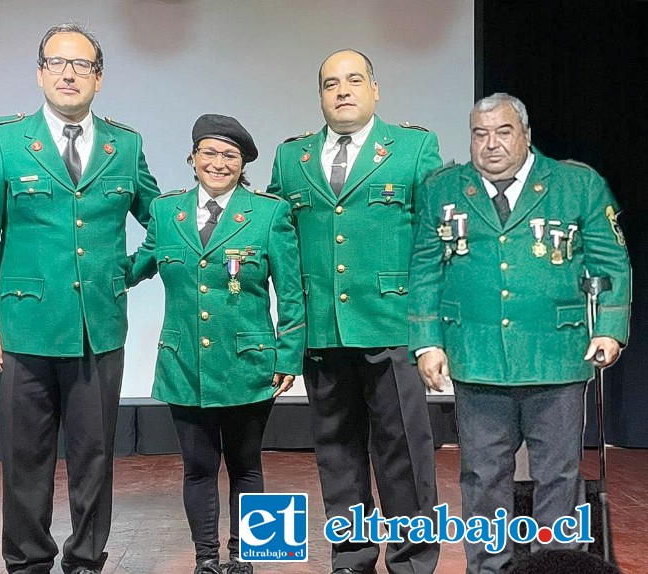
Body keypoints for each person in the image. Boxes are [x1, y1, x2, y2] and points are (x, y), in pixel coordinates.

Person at [0, 23, 160, 574]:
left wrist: (128, 272)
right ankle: (27, 563)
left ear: (99, 77)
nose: (68, 73)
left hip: (99, 328)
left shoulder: (127, 144)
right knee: (26, 459)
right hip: (22, 327)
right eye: (56, 63)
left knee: (95, 457)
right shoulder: (4, 139)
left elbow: (162, 224)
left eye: (81, 65)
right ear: (40, 73)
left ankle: (86, 560)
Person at [409, 93, 631, 573]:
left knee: (559, 476)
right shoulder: (442, 189)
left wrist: (610, 329)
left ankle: (554, 567)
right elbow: (424, 270)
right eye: (479, 133)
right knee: (482, 476)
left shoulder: (576, 185)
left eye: (503, 132)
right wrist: (428, 341)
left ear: (526, 134)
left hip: (557, 356)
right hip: (478, 358)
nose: (490, 144)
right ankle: (490, 569)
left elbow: (611, 263)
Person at [267, 49, 442, 574]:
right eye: (330, 83)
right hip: (323, 330)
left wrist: (432, 327)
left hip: (393, 326)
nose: (342, 90)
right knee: (337, 455)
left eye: (354, 80)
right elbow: (276, 242)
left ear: (375, 89)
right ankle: (352, 556)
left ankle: (412, 561)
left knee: (404, 455)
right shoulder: (291, 157)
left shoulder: (413, 148)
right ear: (320, 95)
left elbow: (435, 244)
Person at [129, 114, 305, 574]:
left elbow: (290, 292)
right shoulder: (168, 212)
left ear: (243, 162)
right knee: (198, 469)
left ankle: (246, 557)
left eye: (230, 155)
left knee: (246, 465)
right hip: (184, 361)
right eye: (209, 152)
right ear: (192, 158)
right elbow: (138, 265)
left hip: (249, 364)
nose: (218, 163)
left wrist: (288, 355)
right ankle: (206, 559)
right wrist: (83, 280)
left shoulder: (268, 212)